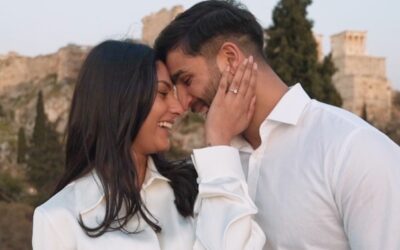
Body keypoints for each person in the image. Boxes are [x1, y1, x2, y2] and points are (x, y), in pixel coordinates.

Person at [154, 1, 400, 249]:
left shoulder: (353, 149)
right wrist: (217, 144)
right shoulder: (216, 161)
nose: (183, 103)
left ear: (229, 59)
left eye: (187, 80)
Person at [32, 40, 265, 250]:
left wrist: (219, 141)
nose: (178, 107)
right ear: (122, 101)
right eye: (163, 93)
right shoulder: (57, 218)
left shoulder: (195, 188)